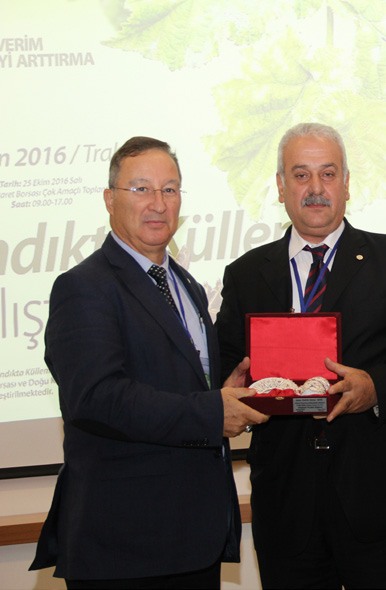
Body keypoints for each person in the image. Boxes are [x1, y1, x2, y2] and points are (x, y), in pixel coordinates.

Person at [215, 122, 386, 589]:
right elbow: (224, 362)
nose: (315, 188)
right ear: (281, 187)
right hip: (286, 504)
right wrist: (230, 390)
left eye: (328, 174)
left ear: (346, 184)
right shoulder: (245, 275)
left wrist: (374, 386)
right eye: (300, 175)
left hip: (378, 499)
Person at [29, 137, 269, 588]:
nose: (158, 204)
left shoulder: (188, 286)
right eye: (141, 189)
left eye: (170, 189)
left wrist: (225, 387)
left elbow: (180, 382)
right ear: (109, 199)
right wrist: (213, 411)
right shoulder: (84, 287)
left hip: (193, 534)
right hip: (126, 542)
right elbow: (96, 398)